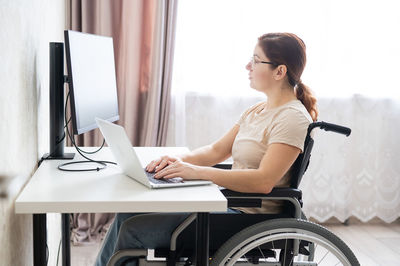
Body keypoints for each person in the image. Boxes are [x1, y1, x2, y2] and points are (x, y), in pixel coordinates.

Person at [95, 32, 318, 266]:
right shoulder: (257, 111)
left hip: (249, 219)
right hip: (226, 204)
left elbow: (263, 181)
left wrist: (196, 172)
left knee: (132, 229)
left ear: (279, 72)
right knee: (127, 214)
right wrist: (175, 161)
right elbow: (215, 151)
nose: (247, 66)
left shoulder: (292, 118)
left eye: (255, 60)